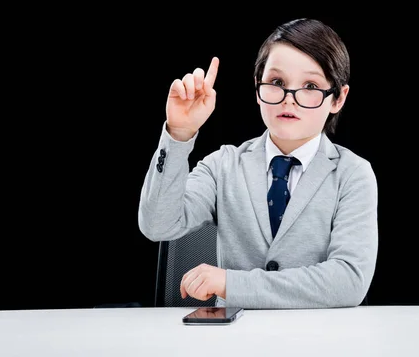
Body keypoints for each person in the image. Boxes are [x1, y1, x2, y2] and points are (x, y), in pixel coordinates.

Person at [138, 18, 378, 309]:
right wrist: (179, 135)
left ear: (338, 98)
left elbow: (349, 281)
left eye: (310, 85)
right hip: (236, 340)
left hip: (320, 341)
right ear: (257, 87)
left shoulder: (352, 173)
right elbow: (158, 226)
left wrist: (231, 283)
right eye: (277, 83)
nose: (289, 99)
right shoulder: (222, 165)